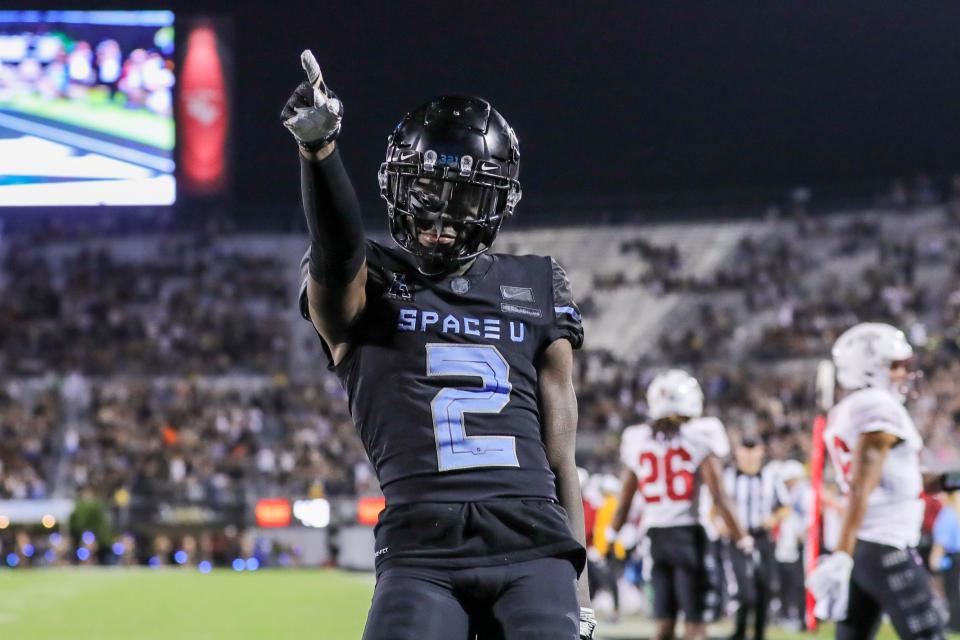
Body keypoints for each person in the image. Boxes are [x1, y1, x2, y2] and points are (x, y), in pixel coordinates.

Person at [282, 50, 594, 640]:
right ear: (398, 185)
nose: (439, 215)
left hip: (534, 544)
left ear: (497, 203)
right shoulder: (365, 278)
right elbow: (335, 253)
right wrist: (319, 154)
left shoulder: (535, 283)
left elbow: (561, 461)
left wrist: (582, 595)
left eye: (464, 196)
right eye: (426, 189)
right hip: (420, 548)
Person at [807, 322, 946, 640]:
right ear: (869, 368)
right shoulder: (876, 405)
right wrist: (841, 552)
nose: (904, 373)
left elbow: (912, 481)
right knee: (929, 633)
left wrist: (954, 479)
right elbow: (861, 484)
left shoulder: (850, 409)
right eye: (895, 366)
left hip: (867, 547)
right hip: (884, 543)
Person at [608, 369, 752, 640]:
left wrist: (611, 534)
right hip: (689, 536)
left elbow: (625, 496)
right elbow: (719, 495)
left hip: (656, 538)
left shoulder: (637, 438)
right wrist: (742, 537)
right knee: (695, 626)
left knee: (664, 624)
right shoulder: (700, 433)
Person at [723, 436, 790, 640]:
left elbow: (785, 507)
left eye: (754, 449)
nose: (750, 455)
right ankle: (740, 630)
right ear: (737, 452)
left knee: (766, 586)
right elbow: (716, 506)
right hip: (737, 536)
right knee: (745, 590)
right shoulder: (728, 477)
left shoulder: (771, 476)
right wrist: (720, 524)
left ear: (761, 451)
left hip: (762, 536)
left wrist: (773, 519)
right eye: (746, 449)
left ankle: (759, 632)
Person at [929, 487, 960, 632]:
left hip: (954, 559)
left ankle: (954, 625)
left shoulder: (948, 514)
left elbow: (941, 542)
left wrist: (934, 561)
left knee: (952, 592)